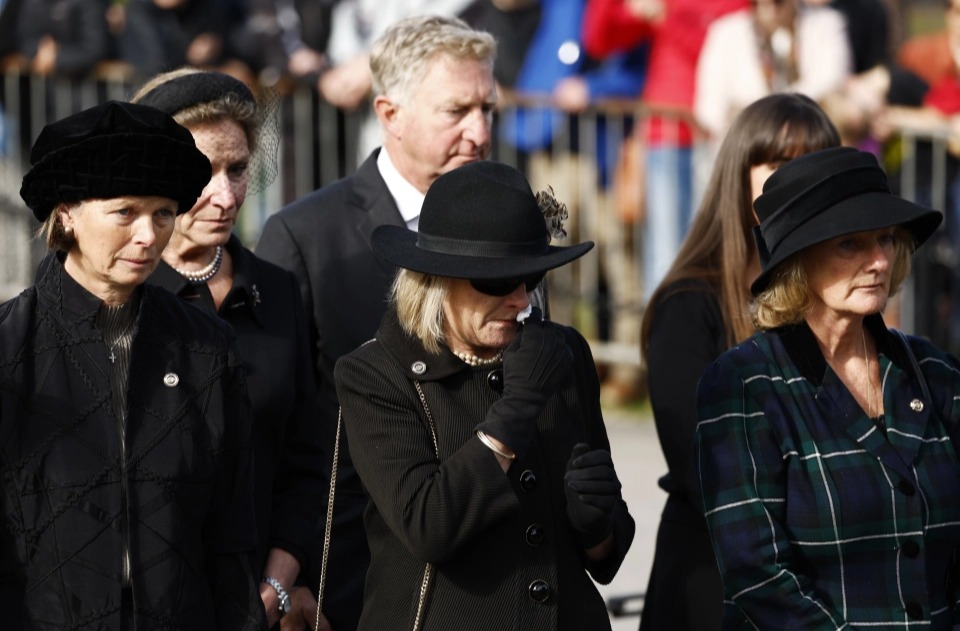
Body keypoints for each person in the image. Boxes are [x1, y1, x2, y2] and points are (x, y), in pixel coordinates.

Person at [255, 14, 497, 631]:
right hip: (355, 568)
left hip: (490, 564)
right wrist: (296, 574)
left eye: (488, 109)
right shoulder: (305, 235)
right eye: (457, 111)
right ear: (389, 113)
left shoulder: (506, 225)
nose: (479, 132)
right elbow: (279, 427)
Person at [334, 159, 634, 630]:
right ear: (436, 280)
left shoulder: (562, 352)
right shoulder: (374, 374)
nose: (519, 298)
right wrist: (516, 412)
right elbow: (428, 526)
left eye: (531, 278)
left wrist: (596, 522)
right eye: (495, 280)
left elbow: (605, 557)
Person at [1, 100, 266, 629]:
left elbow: (230, 533)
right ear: (67, 214)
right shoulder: (9, 349)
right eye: (125, 212)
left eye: (163, 213)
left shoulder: (207, 347)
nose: (148, 236)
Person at [696, 146, 960, 629]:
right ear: (799, 260)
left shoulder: (936, 373)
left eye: (885, 238)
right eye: (851, 244)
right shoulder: (745, 385)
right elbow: (756, 573)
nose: (879, 260)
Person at [130, 69, 326, 630]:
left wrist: (277, 587)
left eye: (236, 170)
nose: (224, 194)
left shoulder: (279, 290)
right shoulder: (120, 297)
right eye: (202, 171)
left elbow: (304, 459)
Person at [638, 93, 840, 631]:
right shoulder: (689, 303)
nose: (799, 180)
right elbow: (697, 464)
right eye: (778, 164)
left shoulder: (840, 299)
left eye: (813, 162)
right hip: (714, 578)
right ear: (740, 176)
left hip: (819, 581)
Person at [694, 0, 852, 148]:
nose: (772, 9)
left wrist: (780, 111)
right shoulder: (726, 33)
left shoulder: (825, 23)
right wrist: (757, 120)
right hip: (749, 144)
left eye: (779, 1)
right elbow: (710, 107)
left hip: (809, 139)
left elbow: (832, 78)